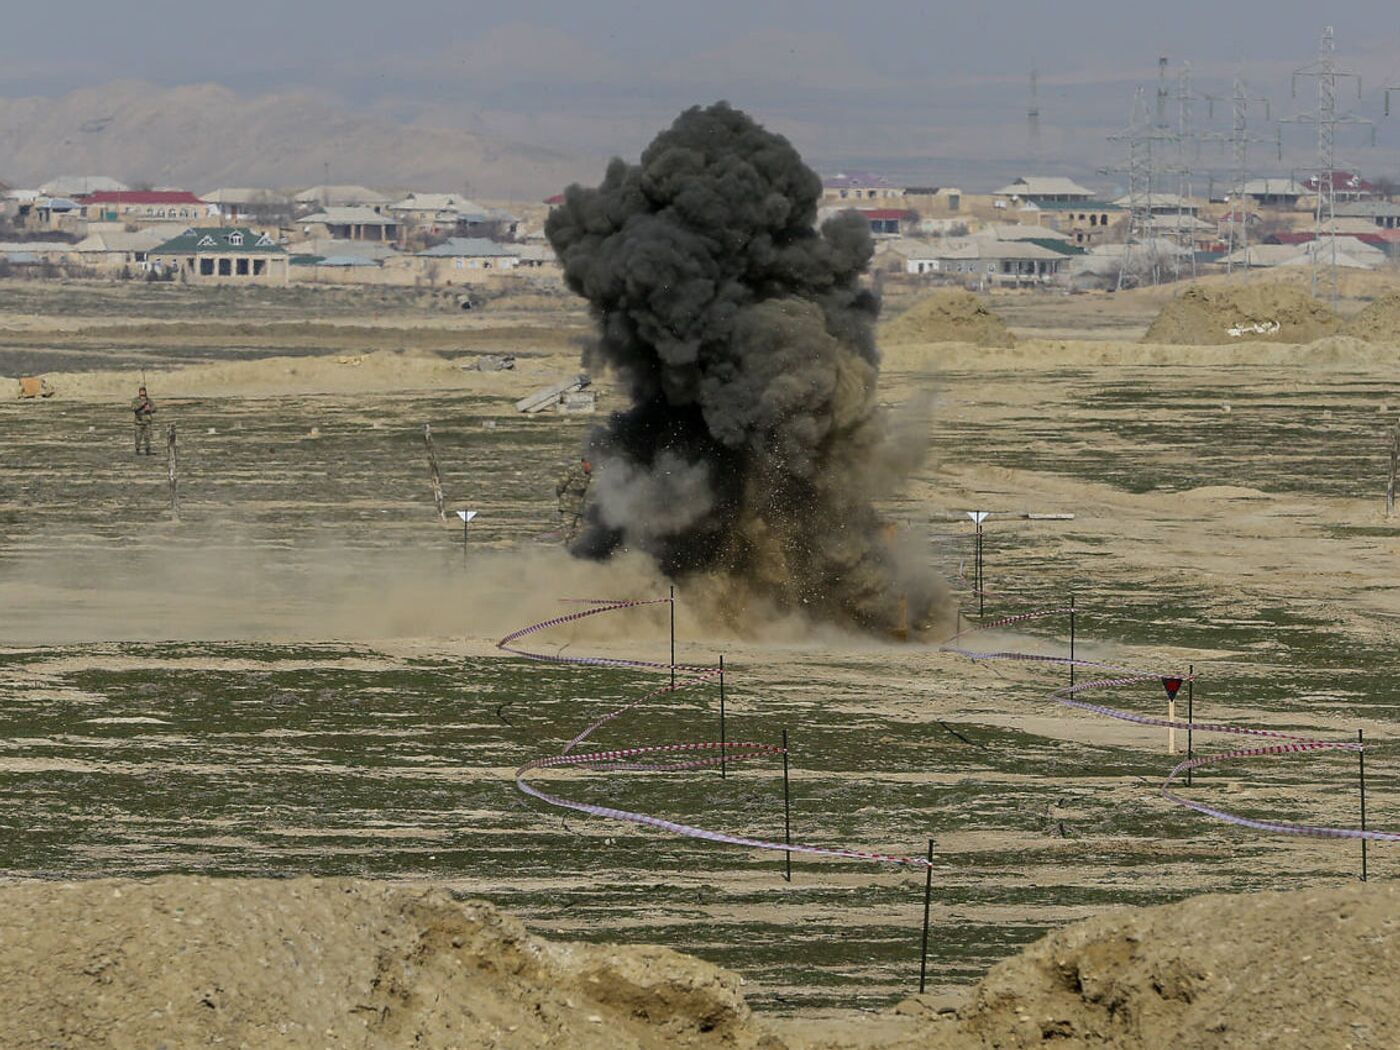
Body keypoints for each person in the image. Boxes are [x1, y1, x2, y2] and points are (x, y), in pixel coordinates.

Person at [555, 456, 593, 541]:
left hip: (579, 507)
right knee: (567, 530)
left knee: (579, 532)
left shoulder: (589, 473)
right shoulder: (573, 470)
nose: (591, 467)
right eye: (589, 464)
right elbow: (560, 485)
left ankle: (573, 547)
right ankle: (564, 547)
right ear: (584, 463)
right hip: (568, 505)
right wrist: (563, 498)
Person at [132, 385, 156, 455]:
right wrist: (142, 405)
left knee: (147, 437)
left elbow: (155, 409)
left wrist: (149, 409)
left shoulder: (149, 400)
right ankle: (137, 450)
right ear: (139, 392)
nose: (142, 393)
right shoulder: (135, 400)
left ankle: (148, 450)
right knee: (138, 437)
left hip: (147, 421)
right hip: (138, 422)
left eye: (143, 391)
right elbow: (133, 408)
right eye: (141, 391)